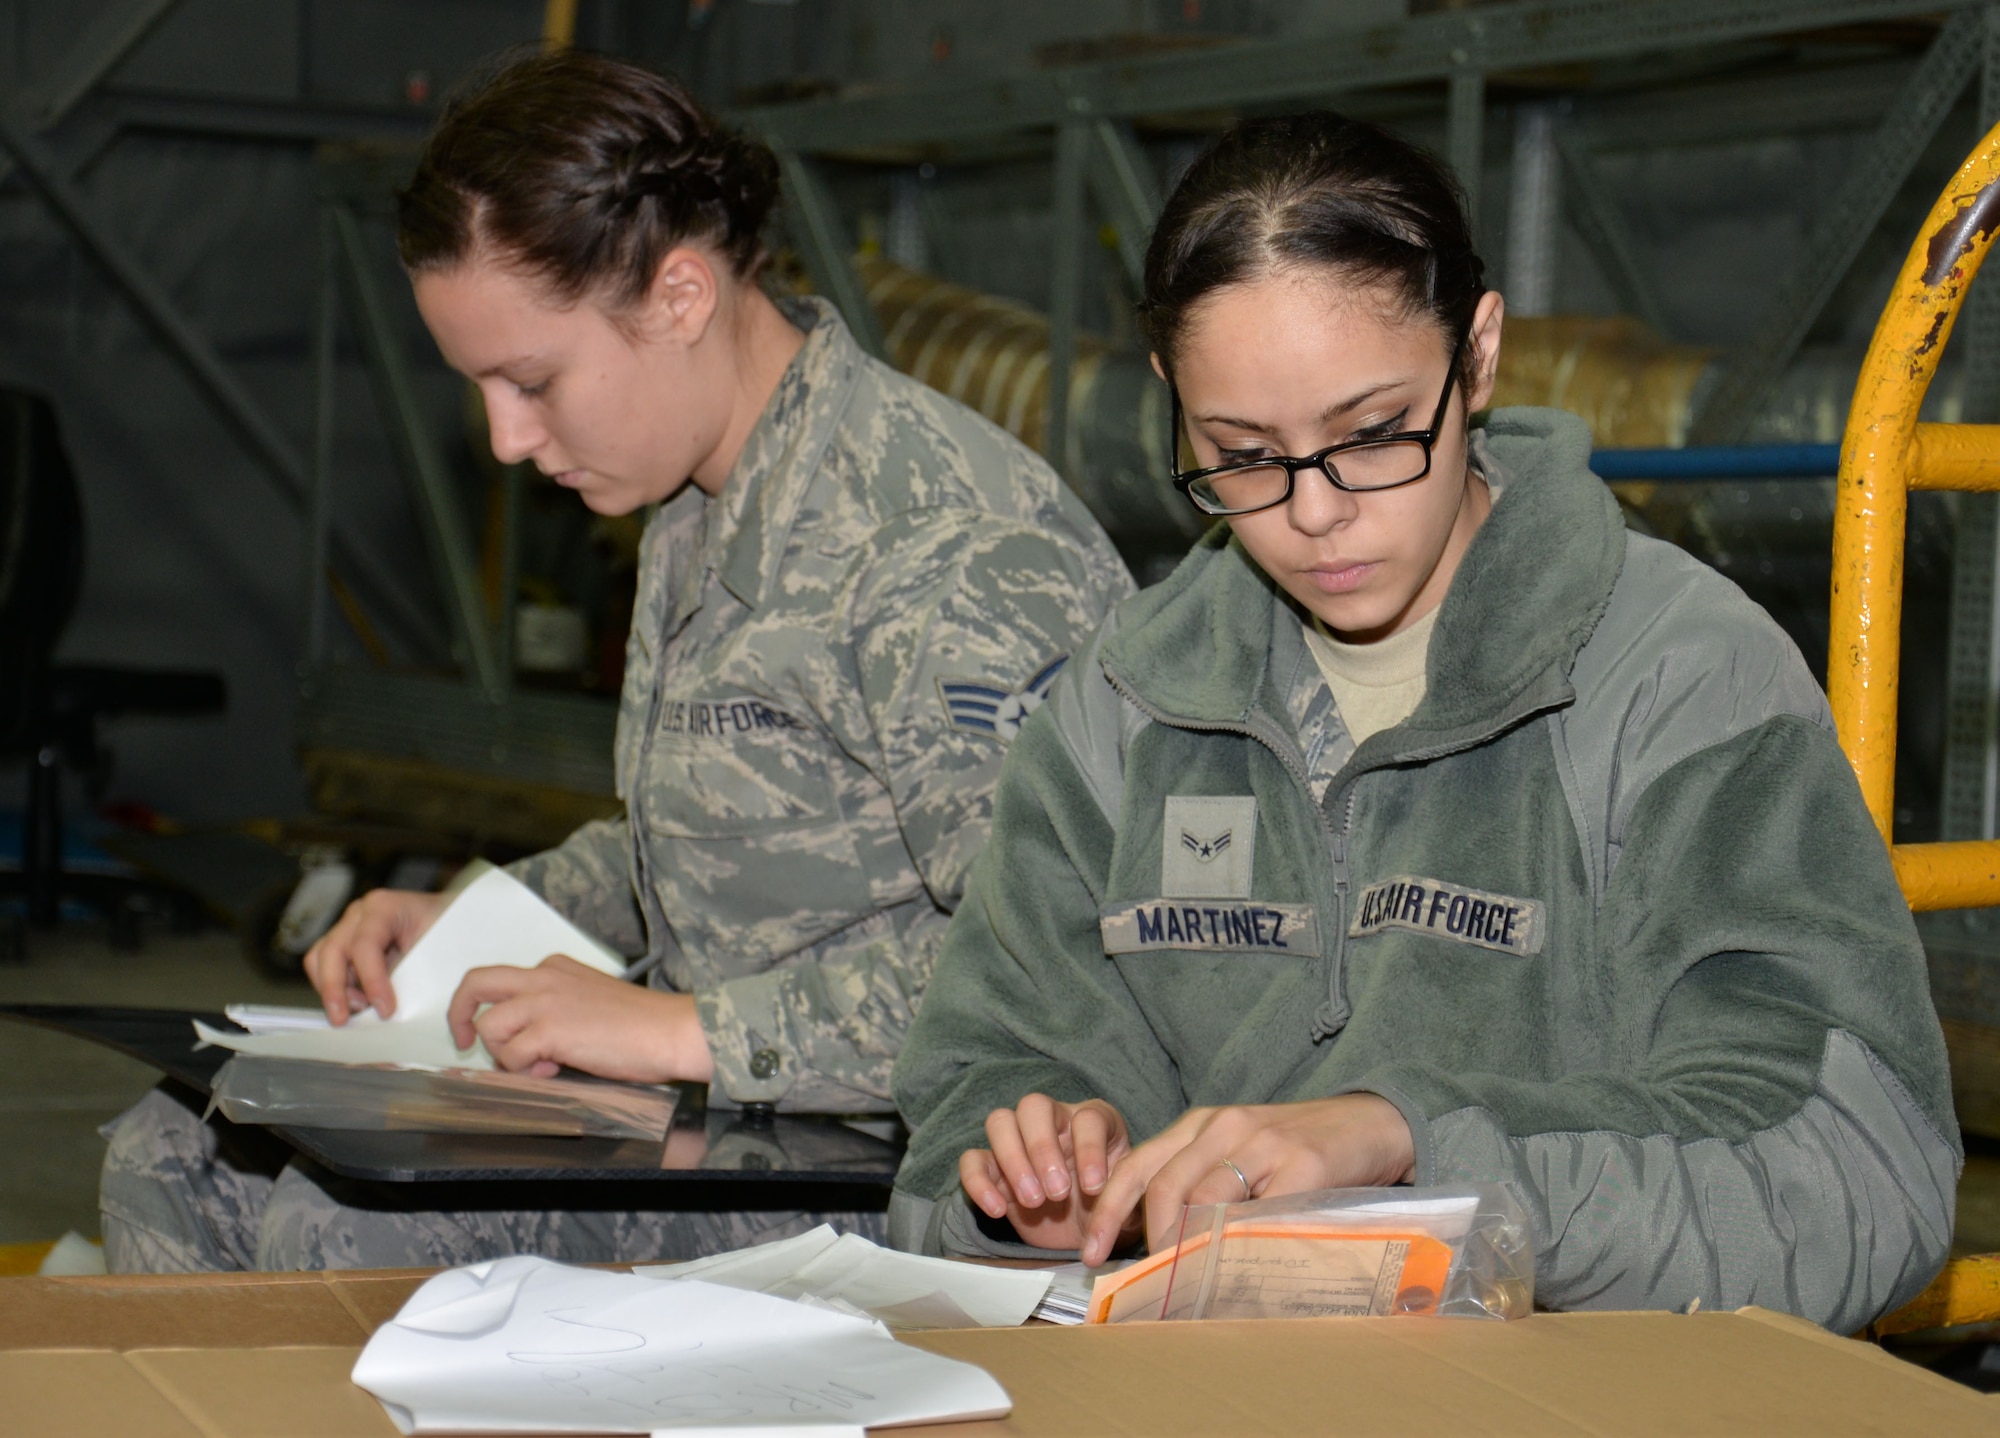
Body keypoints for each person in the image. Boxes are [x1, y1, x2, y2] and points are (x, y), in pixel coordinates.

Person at [887, 112, 1960, 1333]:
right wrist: (1029, 1190)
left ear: (1480, 355)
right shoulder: (1118, 714)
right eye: (1239, 454)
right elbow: (955, 1129)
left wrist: (1411, 1154)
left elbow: (1855, 1182)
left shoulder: (1678, 683)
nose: (1312, 513)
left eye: (1369, 433)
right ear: (1171, 407)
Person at [100, 49, 1131, 1273]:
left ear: (680, 296)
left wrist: (683, 1028)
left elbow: (1060, 959)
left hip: (898, 1159)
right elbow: (715, 843)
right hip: (737, 1106)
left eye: (530, 380)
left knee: (344, 1224)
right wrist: (489, 922)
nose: (505, 438)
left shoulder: (944, 547)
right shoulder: (698, 498)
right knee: (176, 1150)